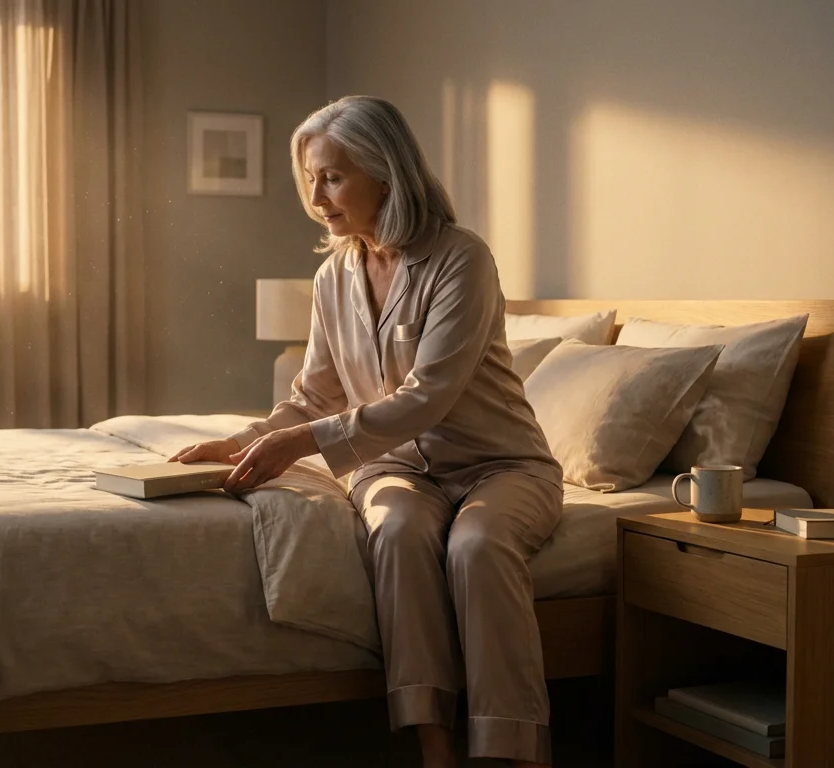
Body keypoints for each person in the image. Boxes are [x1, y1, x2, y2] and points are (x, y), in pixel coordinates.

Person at [169, 95, 563, 768]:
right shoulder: (333, 276)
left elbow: (428, 395)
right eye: (311, 179)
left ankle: (510, 750)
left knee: (477, 545)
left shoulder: (461, 259)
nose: (317, 196)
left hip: (501, 465)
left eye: (332, 177)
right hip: (396, 467)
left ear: (386, 171)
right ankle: (433, 744)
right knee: (400, 531)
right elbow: (315, 394)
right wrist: (242, 442)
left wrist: (301, 444)